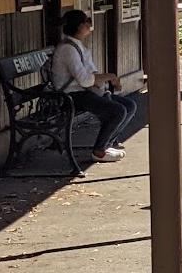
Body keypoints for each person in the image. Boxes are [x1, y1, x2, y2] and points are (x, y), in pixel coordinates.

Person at [50, 9, 137, 163]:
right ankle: (99, 151)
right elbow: (84, 80)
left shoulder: (78, 46)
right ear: (79, 26)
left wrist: (104, 85)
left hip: (83, 92)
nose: (89, 25)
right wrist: (110, 77)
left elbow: (91, 73)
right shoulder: (68, 49)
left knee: (129, 105)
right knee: (117, 111)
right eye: (86, 22)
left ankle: (107, 143)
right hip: (71, 96)